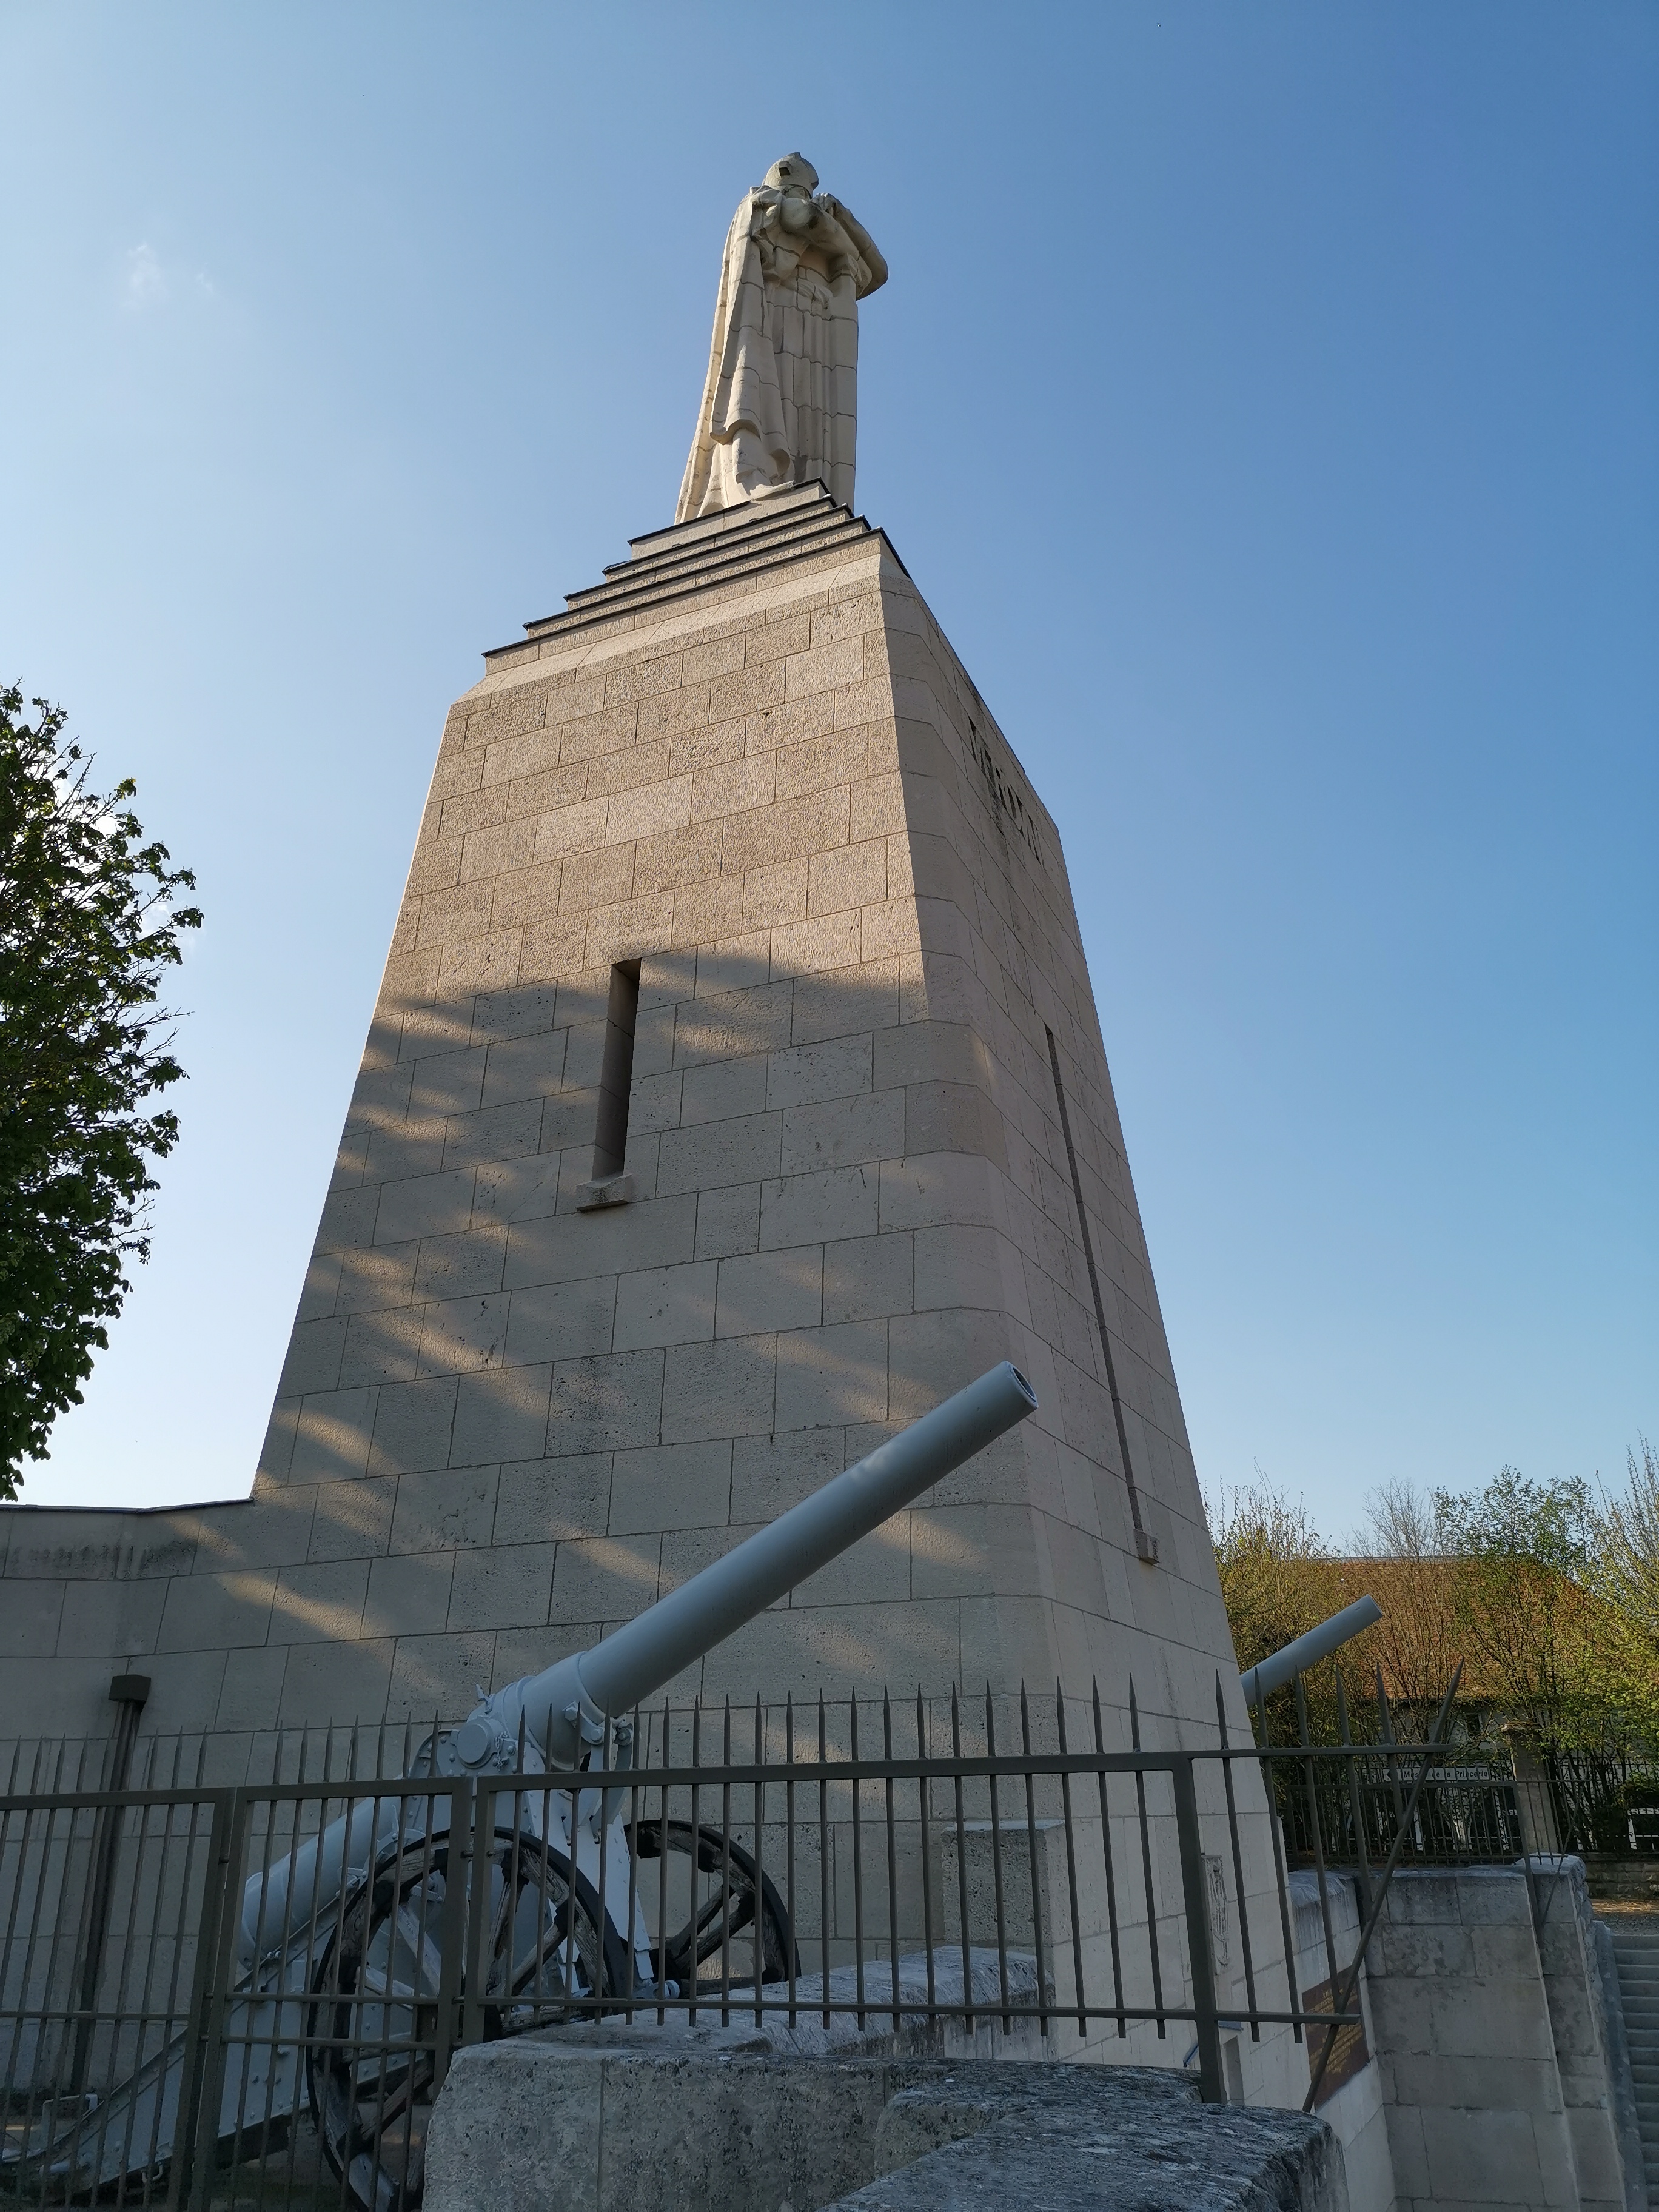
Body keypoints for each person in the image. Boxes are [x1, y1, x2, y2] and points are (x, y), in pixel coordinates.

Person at [675, 155, 888, 523]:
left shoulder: (820, 218)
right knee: (771, 406)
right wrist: (841, 239)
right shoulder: (763, 203)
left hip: (816, 328)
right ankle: (760, 475)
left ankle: (803, 491)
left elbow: (878, 273)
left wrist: (845, 218)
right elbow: (808, 220)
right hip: (777, 317)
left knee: (812, 428)